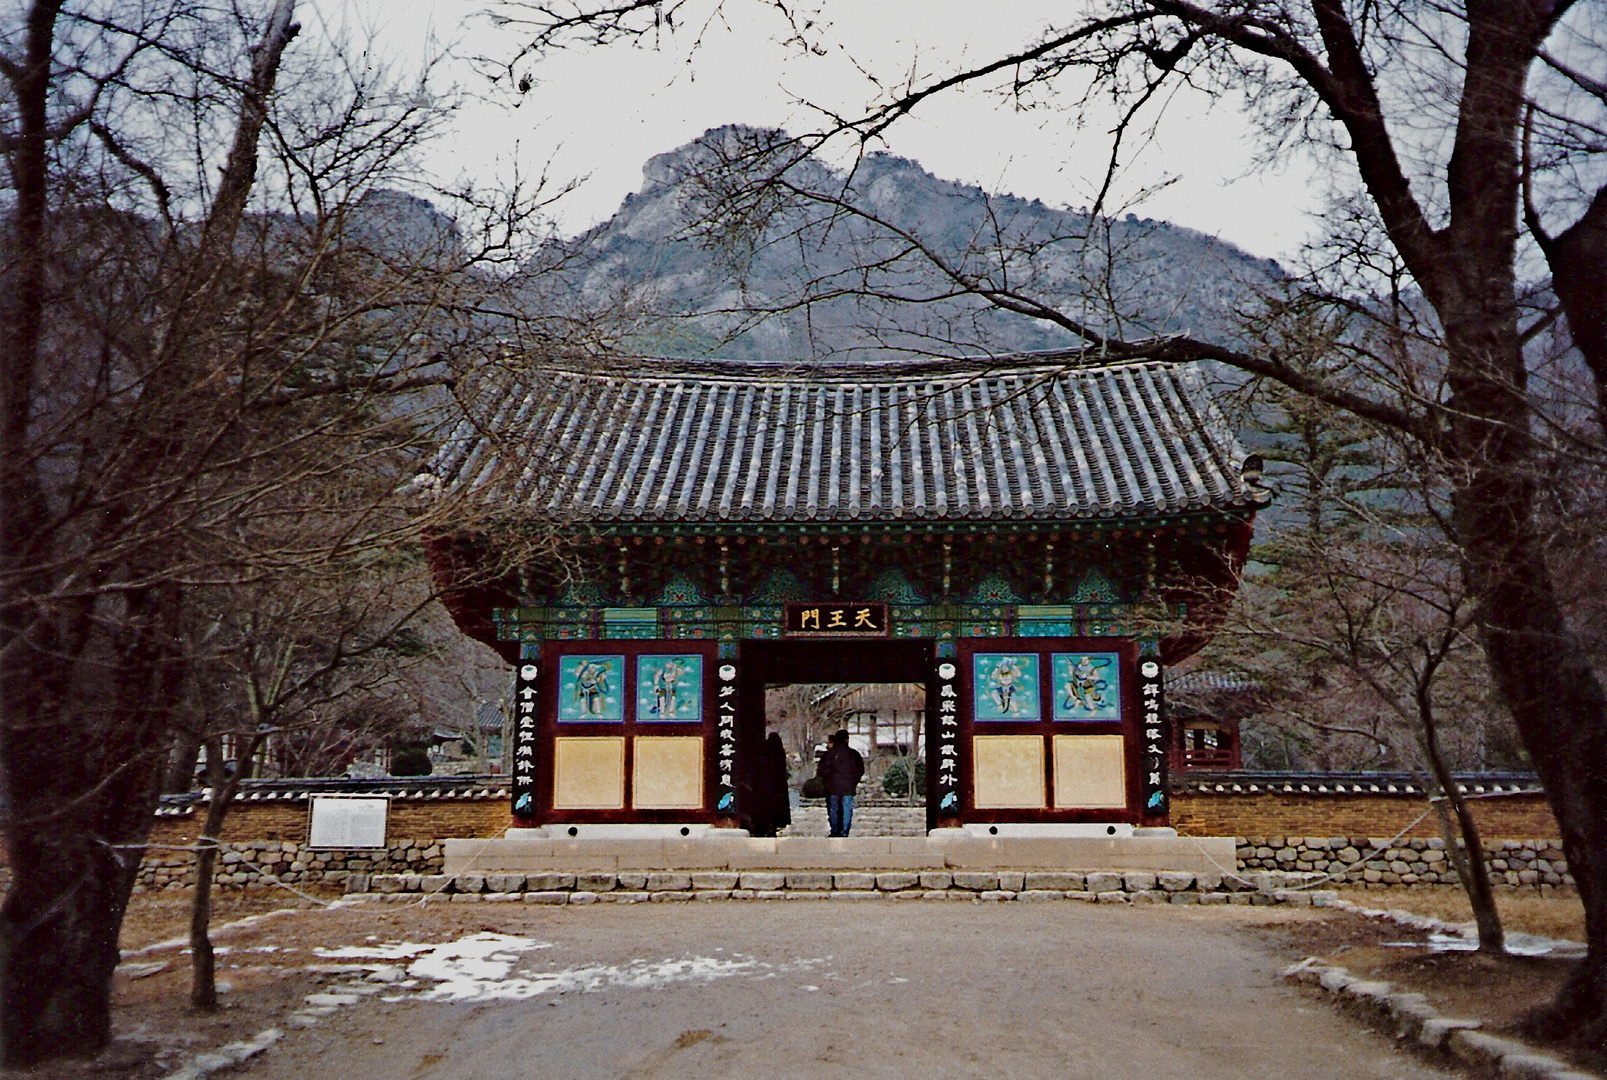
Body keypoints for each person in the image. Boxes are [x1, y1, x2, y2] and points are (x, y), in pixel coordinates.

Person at [816, 729, 865, 837]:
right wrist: (854, 781)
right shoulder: (854, 754)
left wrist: (827, 781)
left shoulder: (829, 755)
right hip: (848, 786)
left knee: (834, 810)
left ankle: (835, 831)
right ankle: (844, 832)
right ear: (847, 740)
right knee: (847, 809)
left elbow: (821, 770)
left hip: (832, 786)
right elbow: (860, 770)